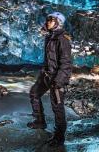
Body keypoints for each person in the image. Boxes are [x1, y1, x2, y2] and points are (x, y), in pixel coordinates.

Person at [27, 11, 72, 147]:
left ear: (59, 23)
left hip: (56, 79)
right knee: (34, 93)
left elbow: (66, 63)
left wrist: (59, 81)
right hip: (46, 75)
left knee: (57, 107)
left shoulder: (63, 39)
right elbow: (49, 59)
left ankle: (59, 138)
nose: (48, 22)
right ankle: (40, 121)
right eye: (48, 20)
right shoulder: (50, 37)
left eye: (51, 20)